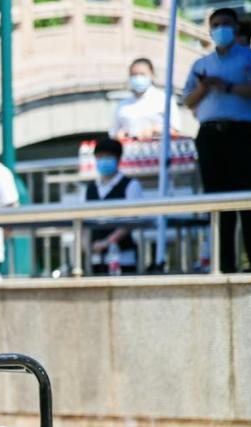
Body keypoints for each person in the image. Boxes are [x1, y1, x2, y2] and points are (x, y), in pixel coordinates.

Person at [182, 7, 251, 273]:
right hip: (210, 134)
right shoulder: (201, 65)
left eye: (226, 23)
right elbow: (187, 100)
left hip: (241, 132)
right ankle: (223, 263)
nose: (221, 29)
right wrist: (205, 87)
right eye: (216, 25)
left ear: (236, 27)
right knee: (217, 199)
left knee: (249, 199)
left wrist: (226, 86)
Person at [81, 137, 142, 275]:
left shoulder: (131, 185)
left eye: (108, 157)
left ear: (118, 159)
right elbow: (83, 222)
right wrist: (87, 246)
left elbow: (131, 220)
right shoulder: (90, 189)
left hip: (123, 256)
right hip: (95, 258)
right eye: (100, 157)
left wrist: (108, 242)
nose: (103, 161)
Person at [111, 58, 182, 140]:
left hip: (157, 146)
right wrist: (119, 135)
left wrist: (154, 130)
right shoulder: (123, 104)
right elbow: (113, 133)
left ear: (152, 74)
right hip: (130, 146)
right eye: (134, 75)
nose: (138, 78)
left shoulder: (164, 99)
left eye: (142, 74)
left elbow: (175, 131)